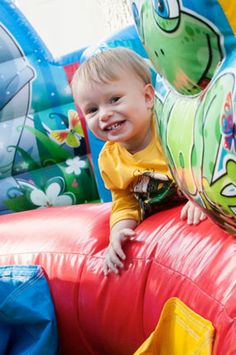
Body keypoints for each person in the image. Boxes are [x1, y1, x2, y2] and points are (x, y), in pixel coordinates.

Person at [72, 47, 206, 276]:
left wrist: (200, 196)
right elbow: (124, 201)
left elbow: (204, 160)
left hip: (198, 217)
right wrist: (117, 234)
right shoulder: (109, 159)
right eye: (92, 109)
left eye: (114, 99)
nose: (104, 114)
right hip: (166, 238)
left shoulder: (170, 130)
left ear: (147, 97)